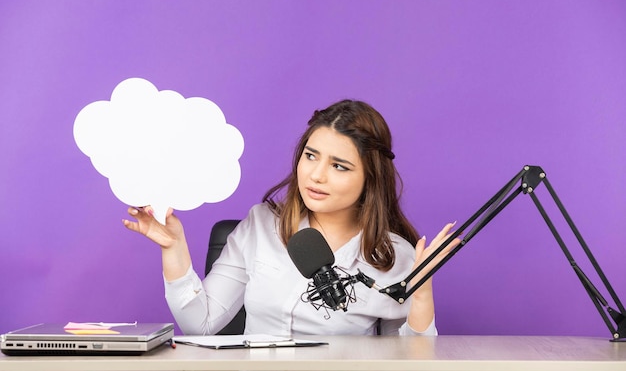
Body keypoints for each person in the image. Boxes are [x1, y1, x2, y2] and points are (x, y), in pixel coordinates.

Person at [123, 99, 460, 336]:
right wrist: (174, 248)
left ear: (370, 178)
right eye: (310, 156)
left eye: (339, 166)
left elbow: (411, 362)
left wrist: (421, 293)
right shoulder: (261, 225)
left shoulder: (395, 256)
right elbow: (202, 322)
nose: (316, 175)